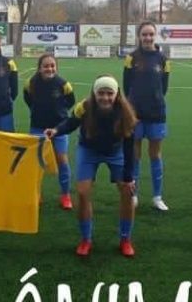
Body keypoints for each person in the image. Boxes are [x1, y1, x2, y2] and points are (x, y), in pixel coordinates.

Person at [45, 75, 138, 257]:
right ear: (94, 94)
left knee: (128, 192)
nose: (105, 97)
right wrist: (56, 130)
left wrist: (128, 177)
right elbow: (71, 122)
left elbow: (129, 147)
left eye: (109, 93)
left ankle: (125, 239)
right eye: (101, 93)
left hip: (115, 151)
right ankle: (86, 239)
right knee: (82, 192)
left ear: (116, 94)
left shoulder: (125, 111)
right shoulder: (85, 106)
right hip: (88, 150)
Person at [124, 21, 170, 211]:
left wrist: (154, 99)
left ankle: (157, 196)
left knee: (155, 154)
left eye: (151, 34)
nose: (148, 38)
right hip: (135, 113)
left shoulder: (163, 59)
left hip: (156, 112)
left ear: (155, 35)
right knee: (135, 154)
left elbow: (164, 86)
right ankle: (133, 195)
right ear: (139, 36)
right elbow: (126, 85)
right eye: (144, 34)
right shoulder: (131, 58)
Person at [24, 53, 75, 210]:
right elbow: (28, 99)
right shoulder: (31, 83)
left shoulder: (63, 84)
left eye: (52, 66)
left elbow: (70, 101)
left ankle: (65, 195)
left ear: (56, 67)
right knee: (37, 162)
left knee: (62, 160)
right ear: (39, 68)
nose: (49, 69)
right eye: (45, 66)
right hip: (38, 127)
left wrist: (59, 113)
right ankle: (36, 193)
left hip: (59, 128)